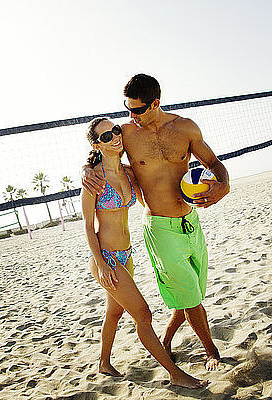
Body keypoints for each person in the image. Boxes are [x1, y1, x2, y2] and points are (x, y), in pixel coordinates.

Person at [82, 74, 230, 372]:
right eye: (127, 109)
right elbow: (103, 155)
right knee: (187, 296)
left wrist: (223, 185)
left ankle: (162, 341)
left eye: (136, 110)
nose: (130, 117)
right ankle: (210, 351)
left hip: (190, 220)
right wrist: (86, 168)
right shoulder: (127, 133)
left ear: (155, 104)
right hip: (159, 227)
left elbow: (213, 164)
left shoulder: (185, 128)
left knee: (191, 292)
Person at [82, 117, 208, 389]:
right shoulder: (93, 180)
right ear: (96, 144)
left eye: (115, 131)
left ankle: (104, 363)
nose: (115, 137)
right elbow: (88, 227)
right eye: (106, 136)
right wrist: (102, 265)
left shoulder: (127, 173)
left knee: (114, 313)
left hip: (126, 255)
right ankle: (174, 373)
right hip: (105, 259)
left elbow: (155, 185)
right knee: (143, 315)